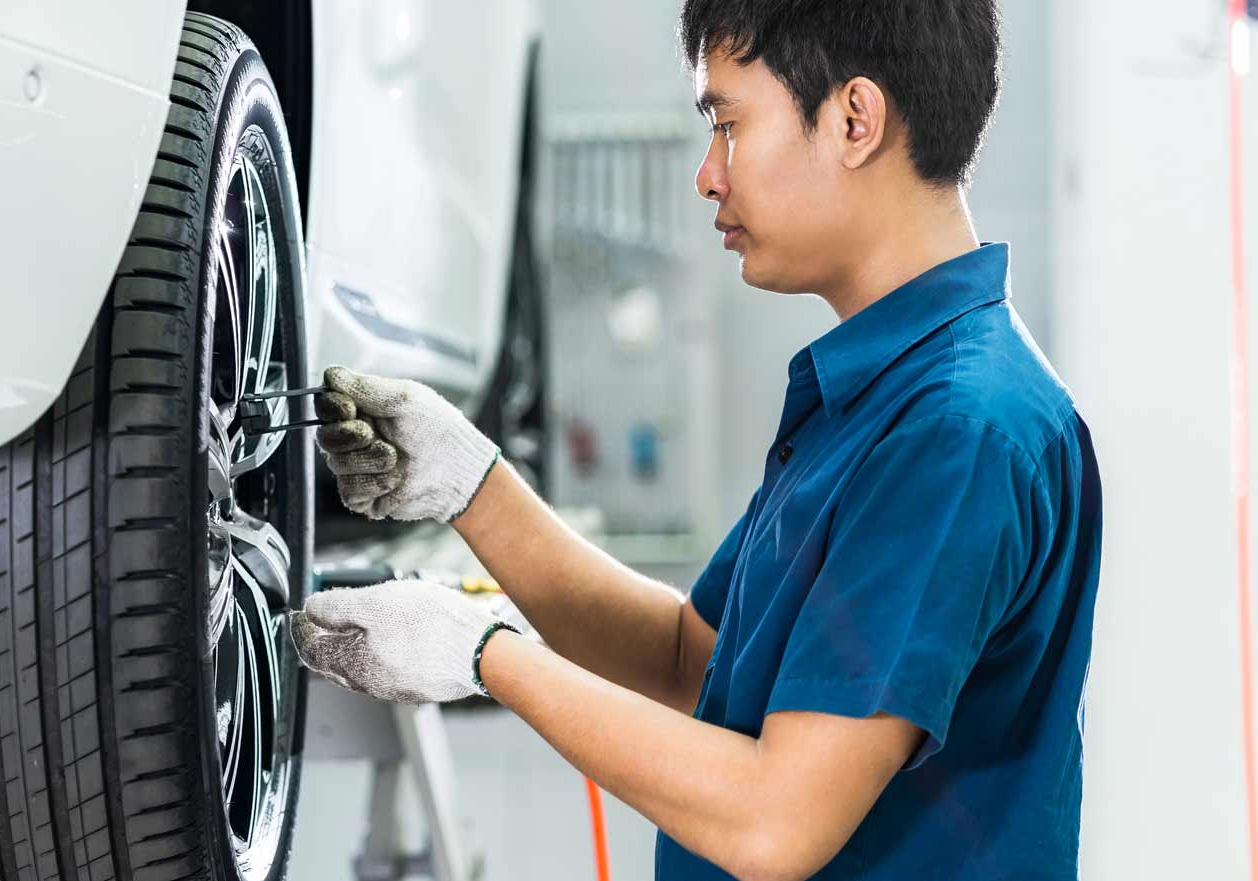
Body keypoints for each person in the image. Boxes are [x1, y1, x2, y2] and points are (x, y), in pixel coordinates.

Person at [290, 1, 1102, 878]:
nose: (707, 176)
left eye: (729, 125)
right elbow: (689, 660)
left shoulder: (955, 431)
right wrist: (469, 483)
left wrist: (482, 655)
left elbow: (774, 821)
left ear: (855, 120)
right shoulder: (883, 396)